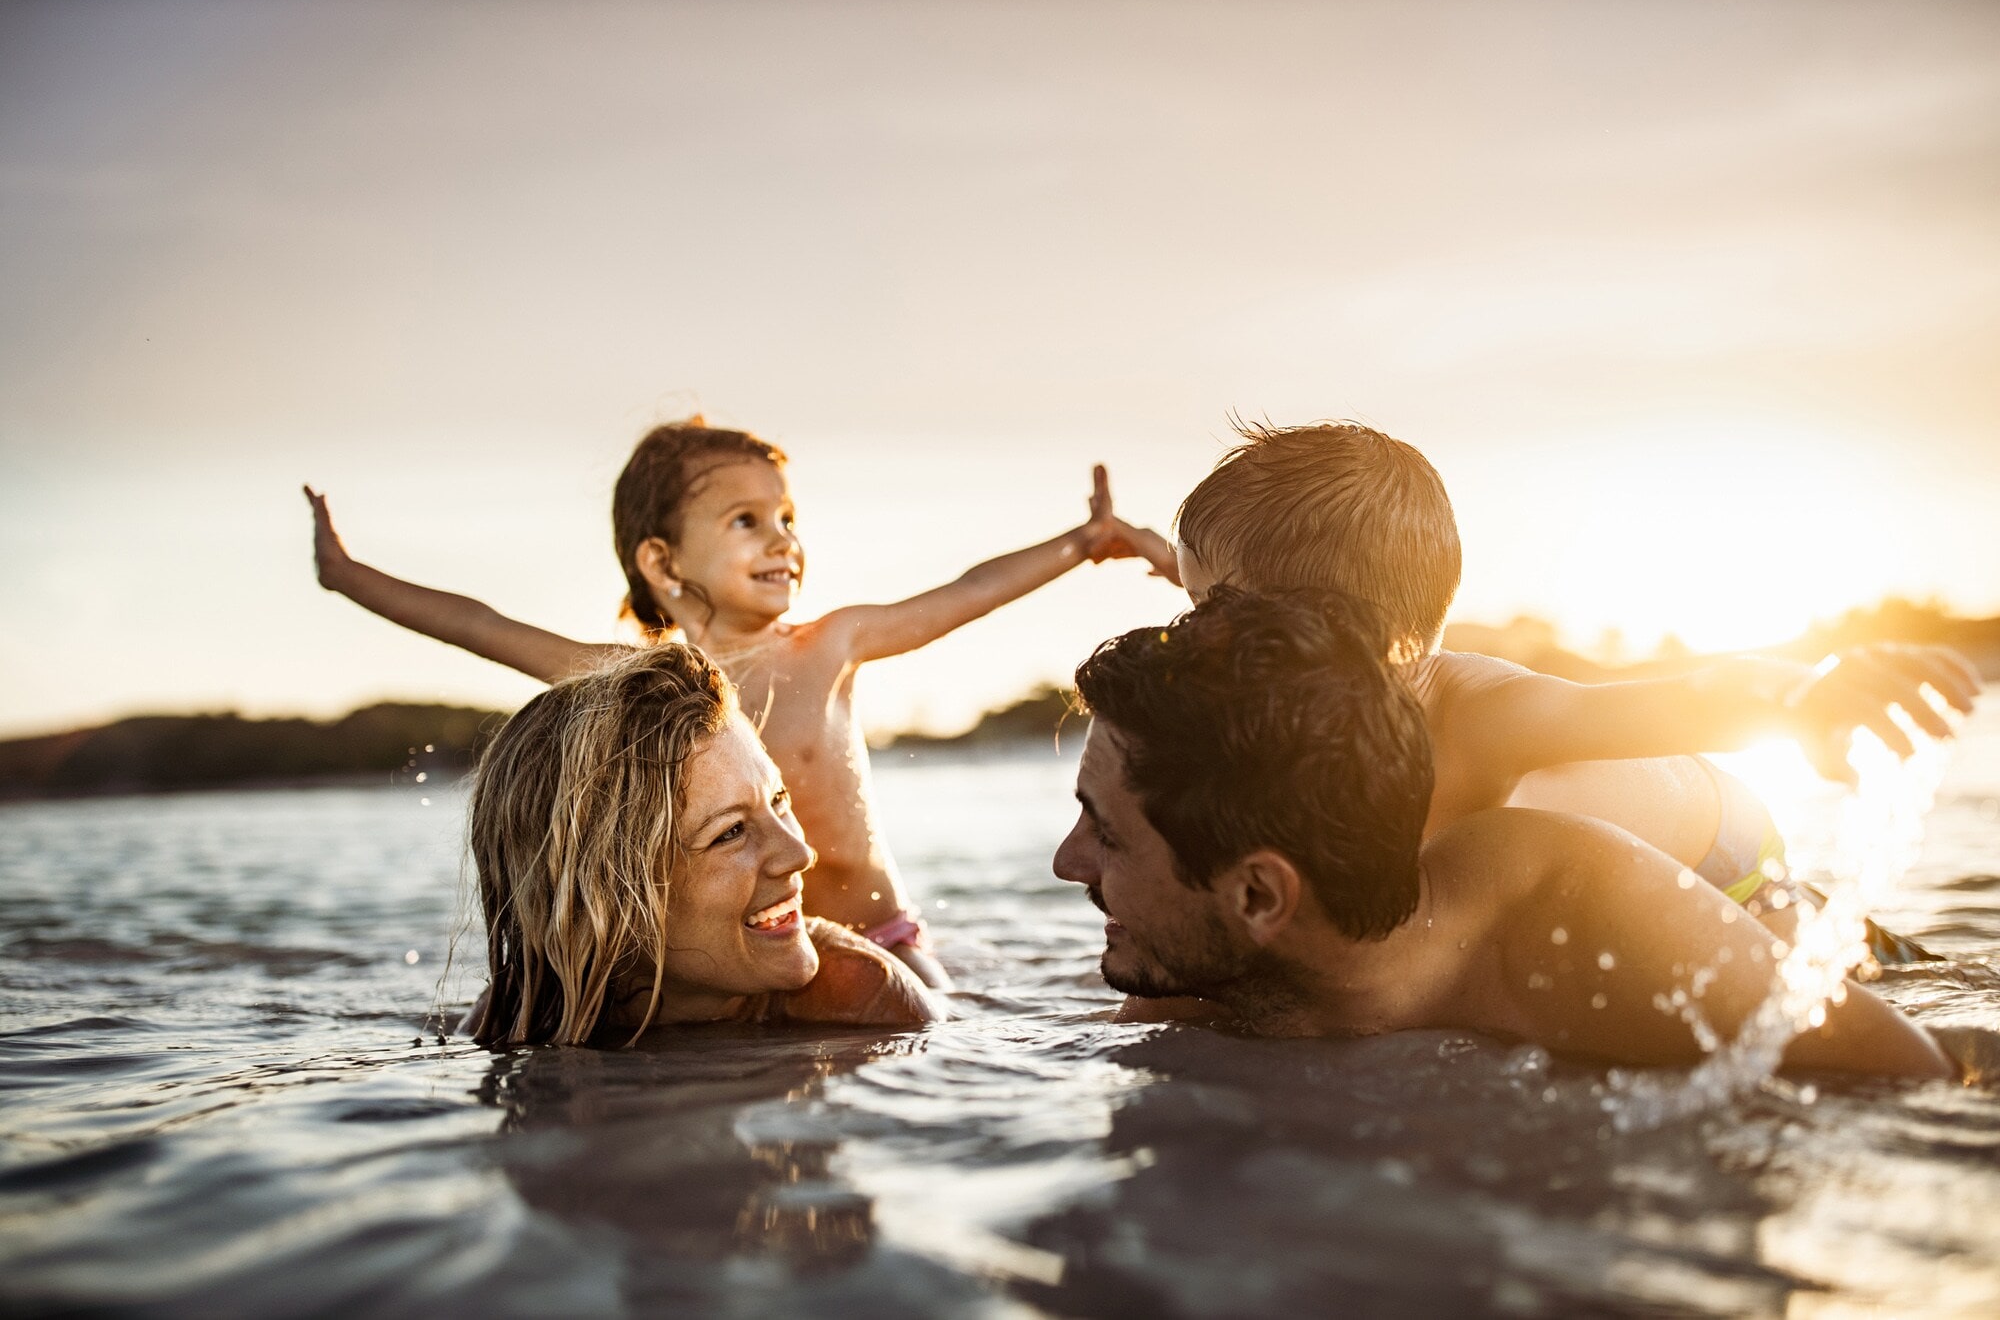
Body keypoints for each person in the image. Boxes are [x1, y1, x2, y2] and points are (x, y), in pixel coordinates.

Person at [308, 418, 1149, 988]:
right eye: (748, 521)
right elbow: (481, 625)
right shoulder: (637, 685)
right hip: (758, 961)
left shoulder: (830, 644)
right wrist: (347, 578)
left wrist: (1084, 541)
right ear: (663, 563)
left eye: (786, 516)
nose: (784, 538)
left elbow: (965, 592)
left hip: (884, 942)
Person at [1104, 420, 1980, 955]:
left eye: (1208, 604)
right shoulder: (1310, 704)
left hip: (1732, 868)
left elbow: (1687, 694)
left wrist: (1803, 697)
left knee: (1817, 1006)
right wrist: (1164, 555)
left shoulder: (1472, 710)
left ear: (1330, 627)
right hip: (1617, 865)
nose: (1193, 635)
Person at [1052, 588, 1954, 1078]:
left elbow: (1909, 1076)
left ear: (1259, 895)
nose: (1066, 862)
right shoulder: (1199, 969)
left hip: (1732, 858)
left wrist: (1803, 693)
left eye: (1108, 834)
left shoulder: (1580, 926)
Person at [467, 641, 941, 1046]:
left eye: (779, 801)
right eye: (731, 831)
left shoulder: (863, 999)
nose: (800, 854)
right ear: (605, 896)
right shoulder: (527, 1012)